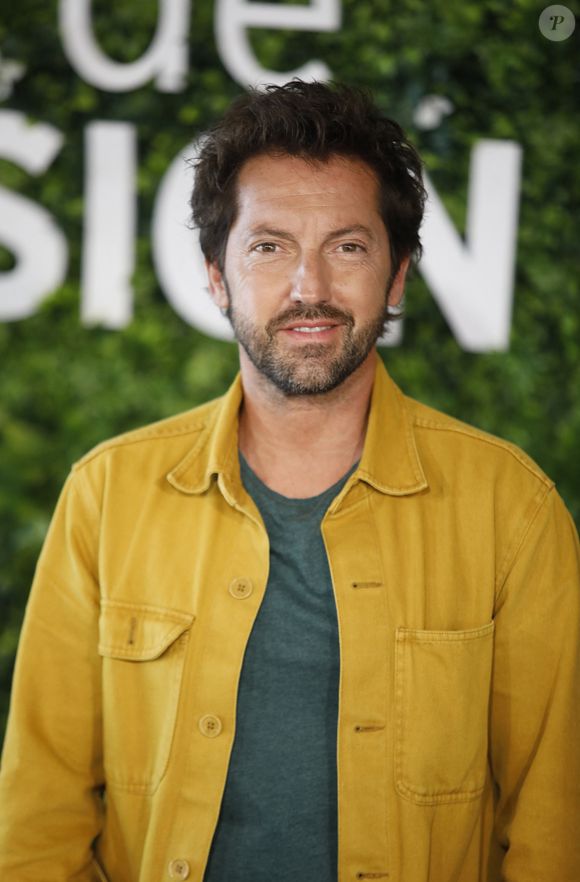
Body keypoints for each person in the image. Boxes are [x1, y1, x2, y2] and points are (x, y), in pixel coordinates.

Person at [0, 80, 578, 882]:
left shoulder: (511, 509)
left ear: (399, 276)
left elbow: (555, 830)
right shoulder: (107, 495)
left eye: (348, 246)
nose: (311, 287)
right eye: (268, 246)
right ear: (215, 276)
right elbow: (40, 820)